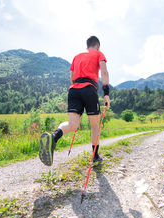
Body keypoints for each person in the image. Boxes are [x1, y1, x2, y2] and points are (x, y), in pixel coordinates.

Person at [39, 36, 111, 166]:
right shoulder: (99, 54)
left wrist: (79, 96)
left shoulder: (76, 57)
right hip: (89, 89)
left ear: (87, 46)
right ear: (98, 46)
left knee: (73, 124)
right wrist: (106, 94)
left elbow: (71, 78)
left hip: (73, 90)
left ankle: (53, 137)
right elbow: (104, 73)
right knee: (94, 125)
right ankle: (95, 156)